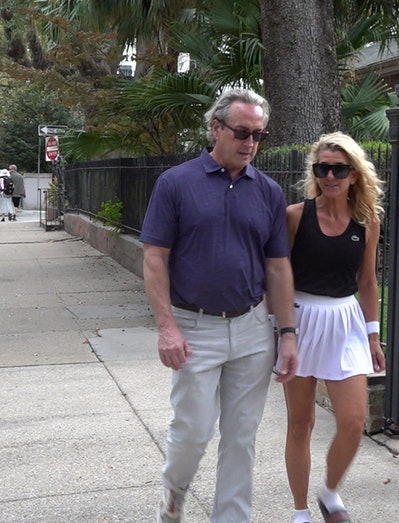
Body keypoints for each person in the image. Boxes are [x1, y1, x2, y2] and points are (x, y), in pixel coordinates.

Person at [140, 87, 298, 523]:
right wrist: (166, 327)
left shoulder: (267, 191)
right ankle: (174, 496)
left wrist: (287, 334)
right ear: (216, 128)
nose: (250, 143)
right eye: (243, 132)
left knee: (241, 438)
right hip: (194, 328)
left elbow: (279, 268)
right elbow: (154, 258)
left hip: (251, 328)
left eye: (259, 136)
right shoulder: (176, 183)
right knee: (192, 431)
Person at [282, 132, 387, 523]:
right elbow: (280, 274)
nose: (330, 176)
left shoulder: (367, 222)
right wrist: (282, 330)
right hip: (301, 320)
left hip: (346, 322)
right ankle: (300, 511)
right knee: (301, 423)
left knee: (352, 420)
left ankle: (329, 492)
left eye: (339, 169)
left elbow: (368, 281)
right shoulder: (295, 216)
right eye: (322, 168)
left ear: (354, 174)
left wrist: (373, 335)